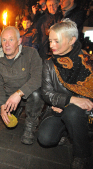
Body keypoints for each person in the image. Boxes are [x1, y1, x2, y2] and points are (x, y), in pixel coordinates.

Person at [38, 19, 93, 169]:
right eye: (50, 41)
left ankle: (82, 154)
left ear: (72, 40)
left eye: (57, 41)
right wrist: (68, 100)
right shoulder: (49, 64)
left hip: (82, 113)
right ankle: (67, 133)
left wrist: (69, 105)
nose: (52, 45)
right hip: (57, 110)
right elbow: (47, 93)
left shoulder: (88, 62)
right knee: (45, 138)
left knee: (73, 113)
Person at [0, 26, 44, 145]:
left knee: (37, 94)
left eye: (11, 40)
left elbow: (38, 78)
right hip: (9, 94)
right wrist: (2, 104)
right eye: (4, 40)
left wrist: (19, 93)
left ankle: (30, 125)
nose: (7, 44)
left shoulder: (31, 53)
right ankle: (15, 110)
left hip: (28, 95)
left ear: (19, 41)